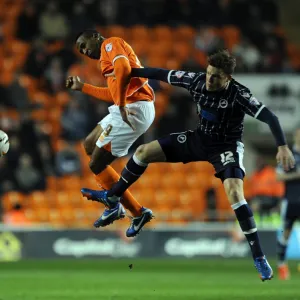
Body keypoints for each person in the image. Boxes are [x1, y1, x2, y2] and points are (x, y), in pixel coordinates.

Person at [82, 50, 295, 281]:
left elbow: (270, 118)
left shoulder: (239, 94)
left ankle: (259, 257)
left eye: (216, 77)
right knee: (143, 152)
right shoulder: (195, 80)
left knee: (235, 192)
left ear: (228, 78)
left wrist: (282, 146)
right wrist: (130, 72)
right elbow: (161, 74)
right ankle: (114, 197)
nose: (210, 79)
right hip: (198, 139)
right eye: (209, 73)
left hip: (226, 147)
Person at [66, 29, 155, 236]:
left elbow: (124, 69)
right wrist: (83, 87)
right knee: (88, 144)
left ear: (95, 36)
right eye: (80, 50)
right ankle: (131, 210)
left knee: (96, 164)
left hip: (134, 108)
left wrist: (122, 104)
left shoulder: (111, 44)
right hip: (129, 106)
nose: (84, 51)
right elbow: (115, 95)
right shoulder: (106, 59)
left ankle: (123, 207)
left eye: (84, 45)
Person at [276, 126, 300, 280]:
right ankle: (281, 264)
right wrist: (296, 175)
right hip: (290, 199)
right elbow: (278, 177)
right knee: (286, 232)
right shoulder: (288, 154)